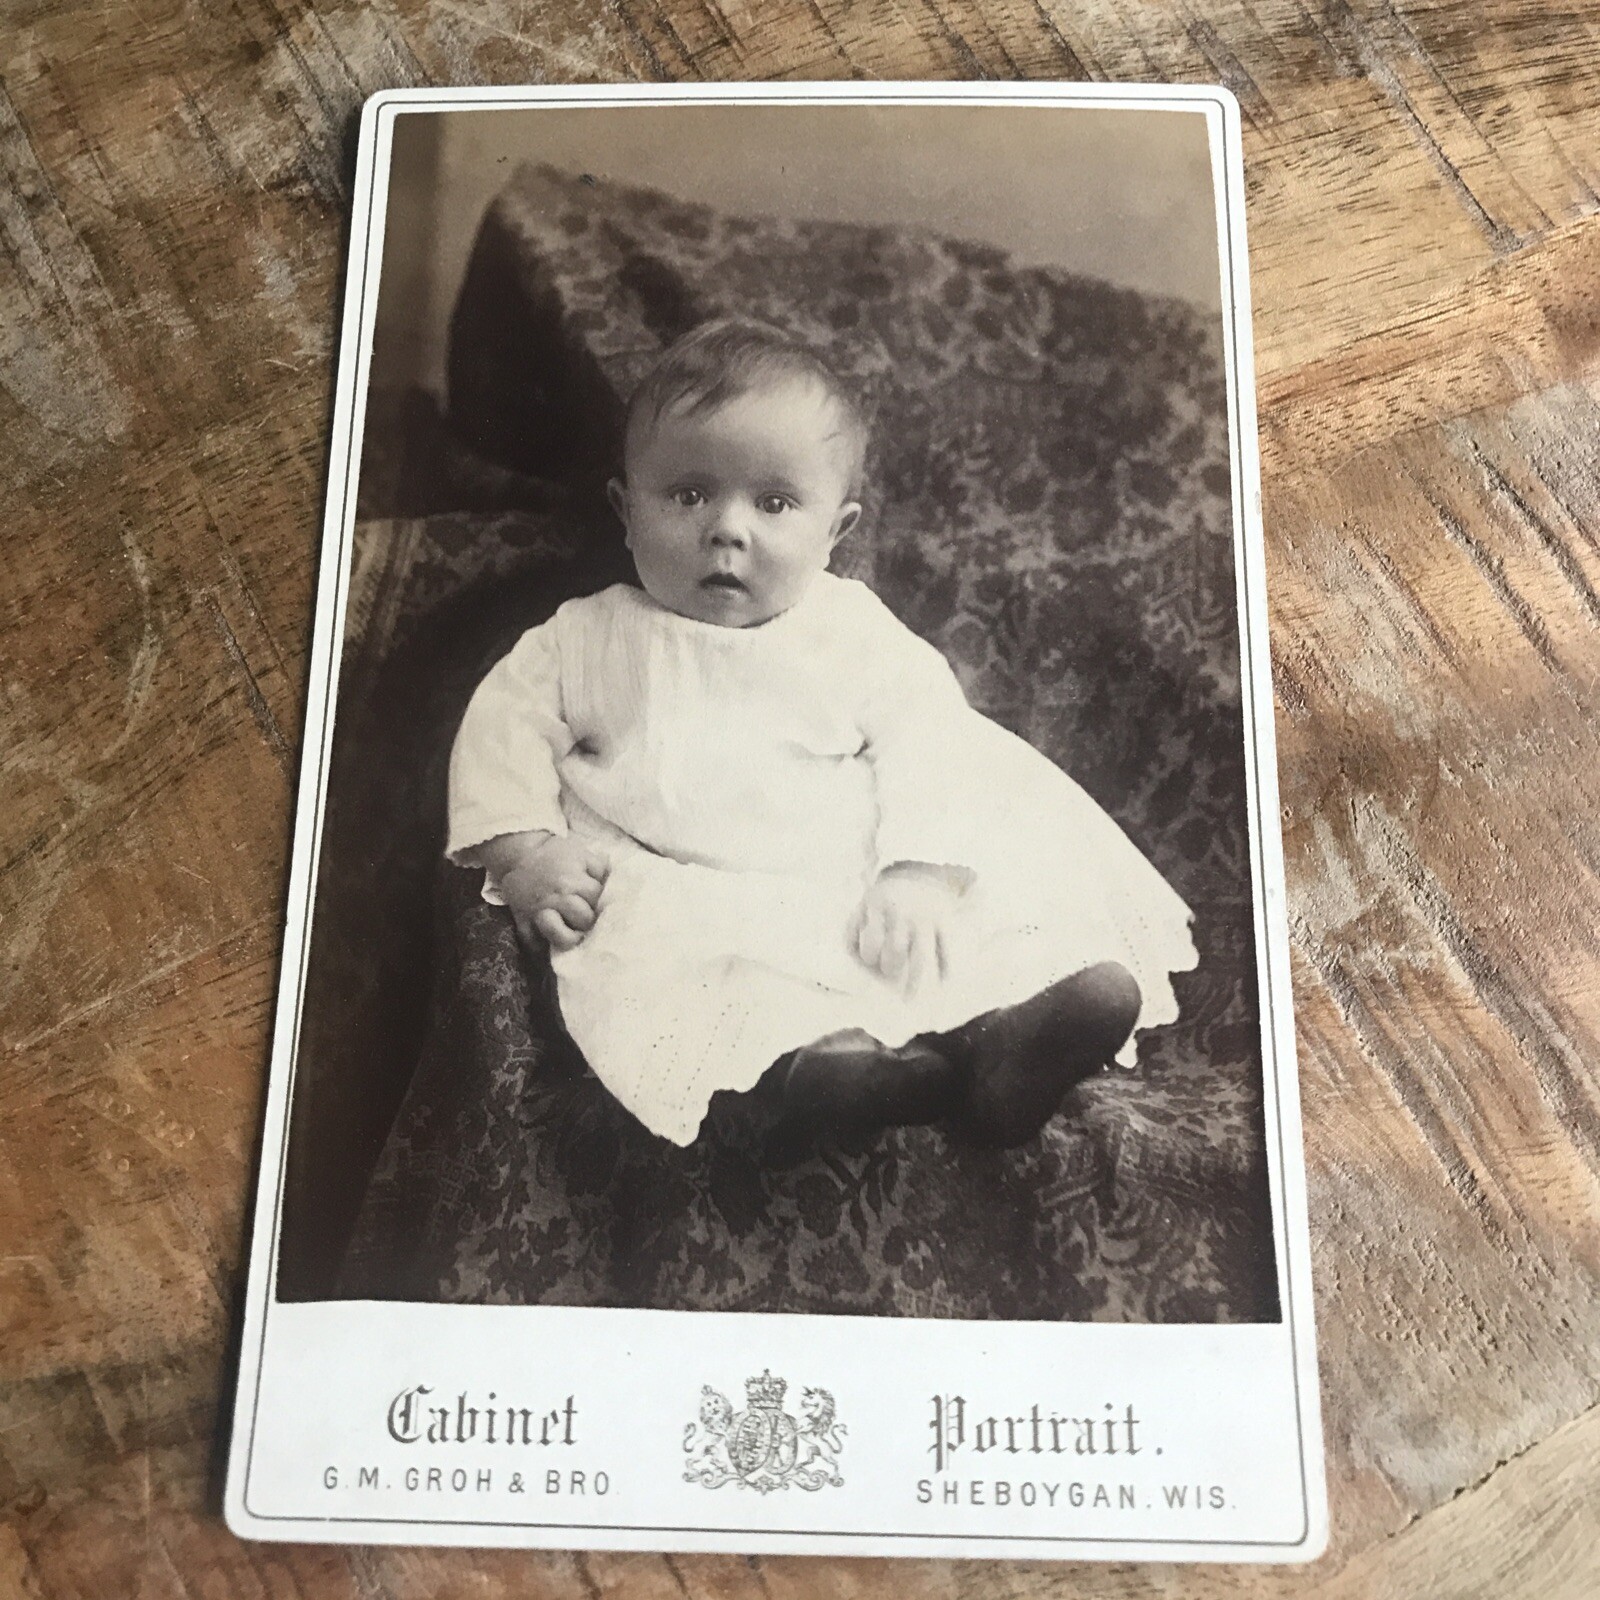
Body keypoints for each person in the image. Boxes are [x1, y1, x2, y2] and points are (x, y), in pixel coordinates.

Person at [446, 319, 1198, 1148]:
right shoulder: (584, 638)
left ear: (835, 535)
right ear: (625, 510)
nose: (727, 529)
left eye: (773, 503)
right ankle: (824, 1072)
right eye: (689, 495)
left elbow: (932, 737)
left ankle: (1006, 1046)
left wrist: (917, 873)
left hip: (856, 877)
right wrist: (524, 852)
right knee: (669, 962)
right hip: (692, 886)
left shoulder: (849, 629)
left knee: (958, 930)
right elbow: (502, 729)